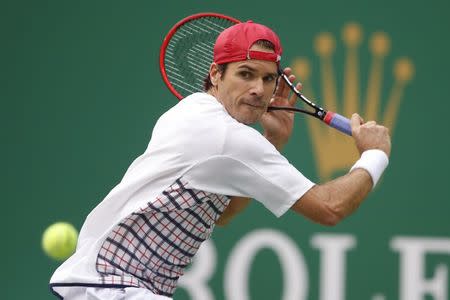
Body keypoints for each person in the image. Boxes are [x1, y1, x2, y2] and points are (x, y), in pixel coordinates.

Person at [50, 21, 390, 299]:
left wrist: (272, 142)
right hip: (113, 287)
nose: (259, 89)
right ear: (215, 74)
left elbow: (225, 214)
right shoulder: (226, 136)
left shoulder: (193, 112)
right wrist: (375, 154)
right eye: (246, 74)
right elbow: (331, 208)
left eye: (268, 78)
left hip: (107, 287)